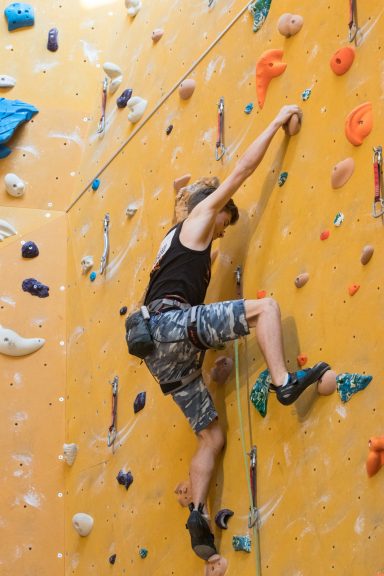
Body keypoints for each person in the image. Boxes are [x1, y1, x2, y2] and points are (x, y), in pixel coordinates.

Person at [140, 105, 330, 561]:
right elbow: (243, 169)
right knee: (265, 309)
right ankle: (285, 384)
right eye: (227, 222)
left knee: (212, 437)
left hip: (159, 352)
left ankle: (200, 520)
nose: (223, 233)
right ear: (217, 208)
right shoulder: (204, 213)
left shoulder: (171, 239)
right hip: (172, 324)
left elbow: (179, 203)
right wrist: (280, 116)